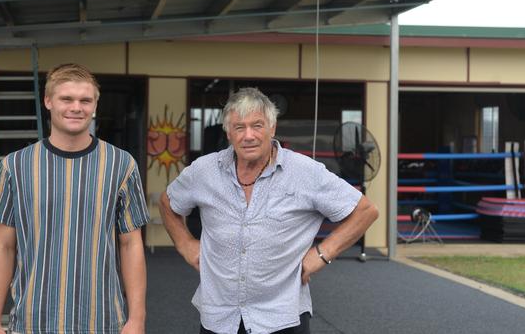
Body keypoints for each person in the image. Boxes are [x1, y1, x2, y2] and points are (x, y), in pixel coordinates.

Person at [160, 88, 379, 334]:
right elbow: (168, 203)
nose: (249, 135)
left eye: (257, 125)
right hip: (219, 316)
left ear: (272, 128)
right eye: (239, 127)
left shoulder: (304, 172)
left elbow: (365, 210)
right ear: (228, 132)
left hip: (282, 317)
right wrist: (185, 244)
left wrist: (322, 253)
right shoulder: (204, 171)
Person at [0, 63, 150, 334]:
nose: (77, 107)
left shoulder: (122, 165)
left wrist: (137, 319)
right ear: (48, 101)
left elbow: (131, 245)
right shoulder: (14, 167)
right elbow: (3, 248)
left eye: (85, 100)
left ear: (95, 105)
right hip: (33, 321)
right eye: (67, 99)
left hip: (103, 321)